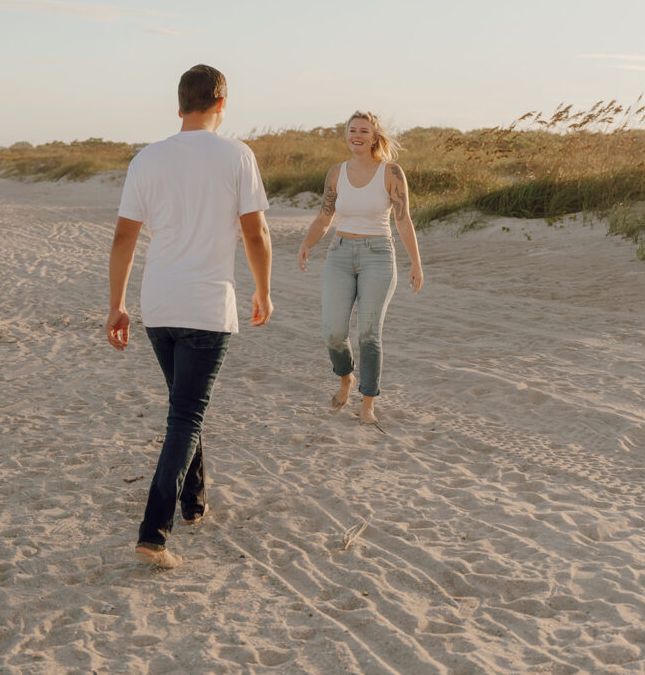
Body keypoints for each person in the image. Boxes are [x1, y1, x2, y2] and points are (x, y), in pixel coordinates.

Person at [105, 64, 272, 569]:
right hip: (206, 306)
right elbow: (256, 233)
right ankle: (153, 534)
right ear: (223, 104)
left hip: (159, 304)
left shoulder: (147, 159)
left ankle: (193, 503)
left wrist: (116, 303)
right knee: (186, 415)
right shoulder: (238, 155)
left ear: (179, 106)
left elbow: (123, 238)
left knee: (184, 405)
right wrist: (264, 290)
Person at [297, 111, 423, 425]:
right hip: (340, 254)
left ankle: (368, 404)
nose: (357, 135)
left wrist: (416, 263)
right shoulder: (336, 173)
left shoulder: (391, 172)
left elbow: (403, 219)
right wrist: (306, 244)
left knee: (369, 334)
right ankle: (345, 378)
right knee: (333, 333)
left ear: (374, 137)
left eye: (363, 131)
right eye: (352, 130)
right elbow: (325, 216)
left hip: (378, 255)